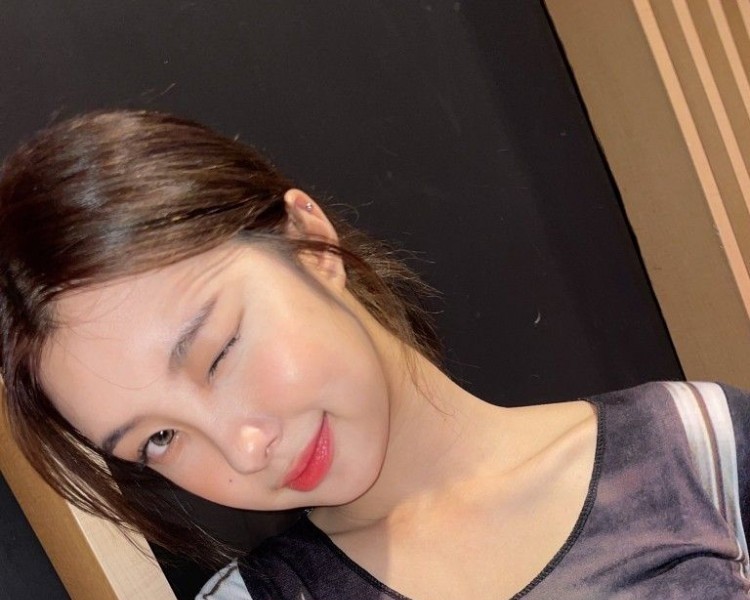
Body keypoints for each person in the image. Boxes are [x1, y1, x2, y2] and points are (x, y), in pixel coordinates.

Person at [0, 110, 748, 600]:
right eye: (159, 438)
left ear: (309, 243)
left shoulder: (696, 452)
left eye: (219, 352)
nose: (244, 448)